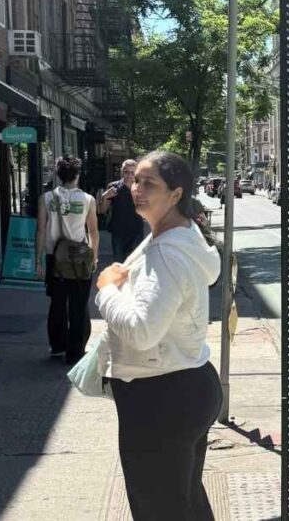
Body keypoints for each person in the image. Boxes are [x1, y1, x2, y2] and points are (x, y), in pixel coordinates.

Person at [95, 151, 223, 520]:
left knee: (161, 509)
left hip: (160, 398)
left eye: (149, 183)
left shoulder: (167, 253)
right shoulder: (180, 236)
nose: (137, 188)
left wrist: (106, 290)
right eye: (136, 180)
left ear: (176, 194)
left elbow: (141, 331)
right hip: (181, 387)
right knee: (182, 503)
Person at [35, 156, 99, 363]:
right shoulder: (88, 200)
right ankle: (75, 351)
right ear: (78, 175)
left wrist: (39, 260)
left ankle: (57, 345)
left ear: (58, 175)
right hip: (80, 259)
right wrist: (94, 257)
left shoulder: (46, 198)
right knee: (79, 305)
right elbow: (93, 232)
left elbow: (41, 230)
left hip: (55, 257)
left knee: (57, 303)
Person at [98, 159, 145, 263]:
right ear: (121, 171)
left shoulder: (142, 188)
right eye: (126, 172)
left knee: (136, 263)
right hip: (118, 232)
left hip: (136, 230)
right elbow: (101, 210)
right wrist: (104, 197)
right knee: (119, 264)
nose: (129, 175)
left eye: (132, 172)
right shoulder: (113, 187)